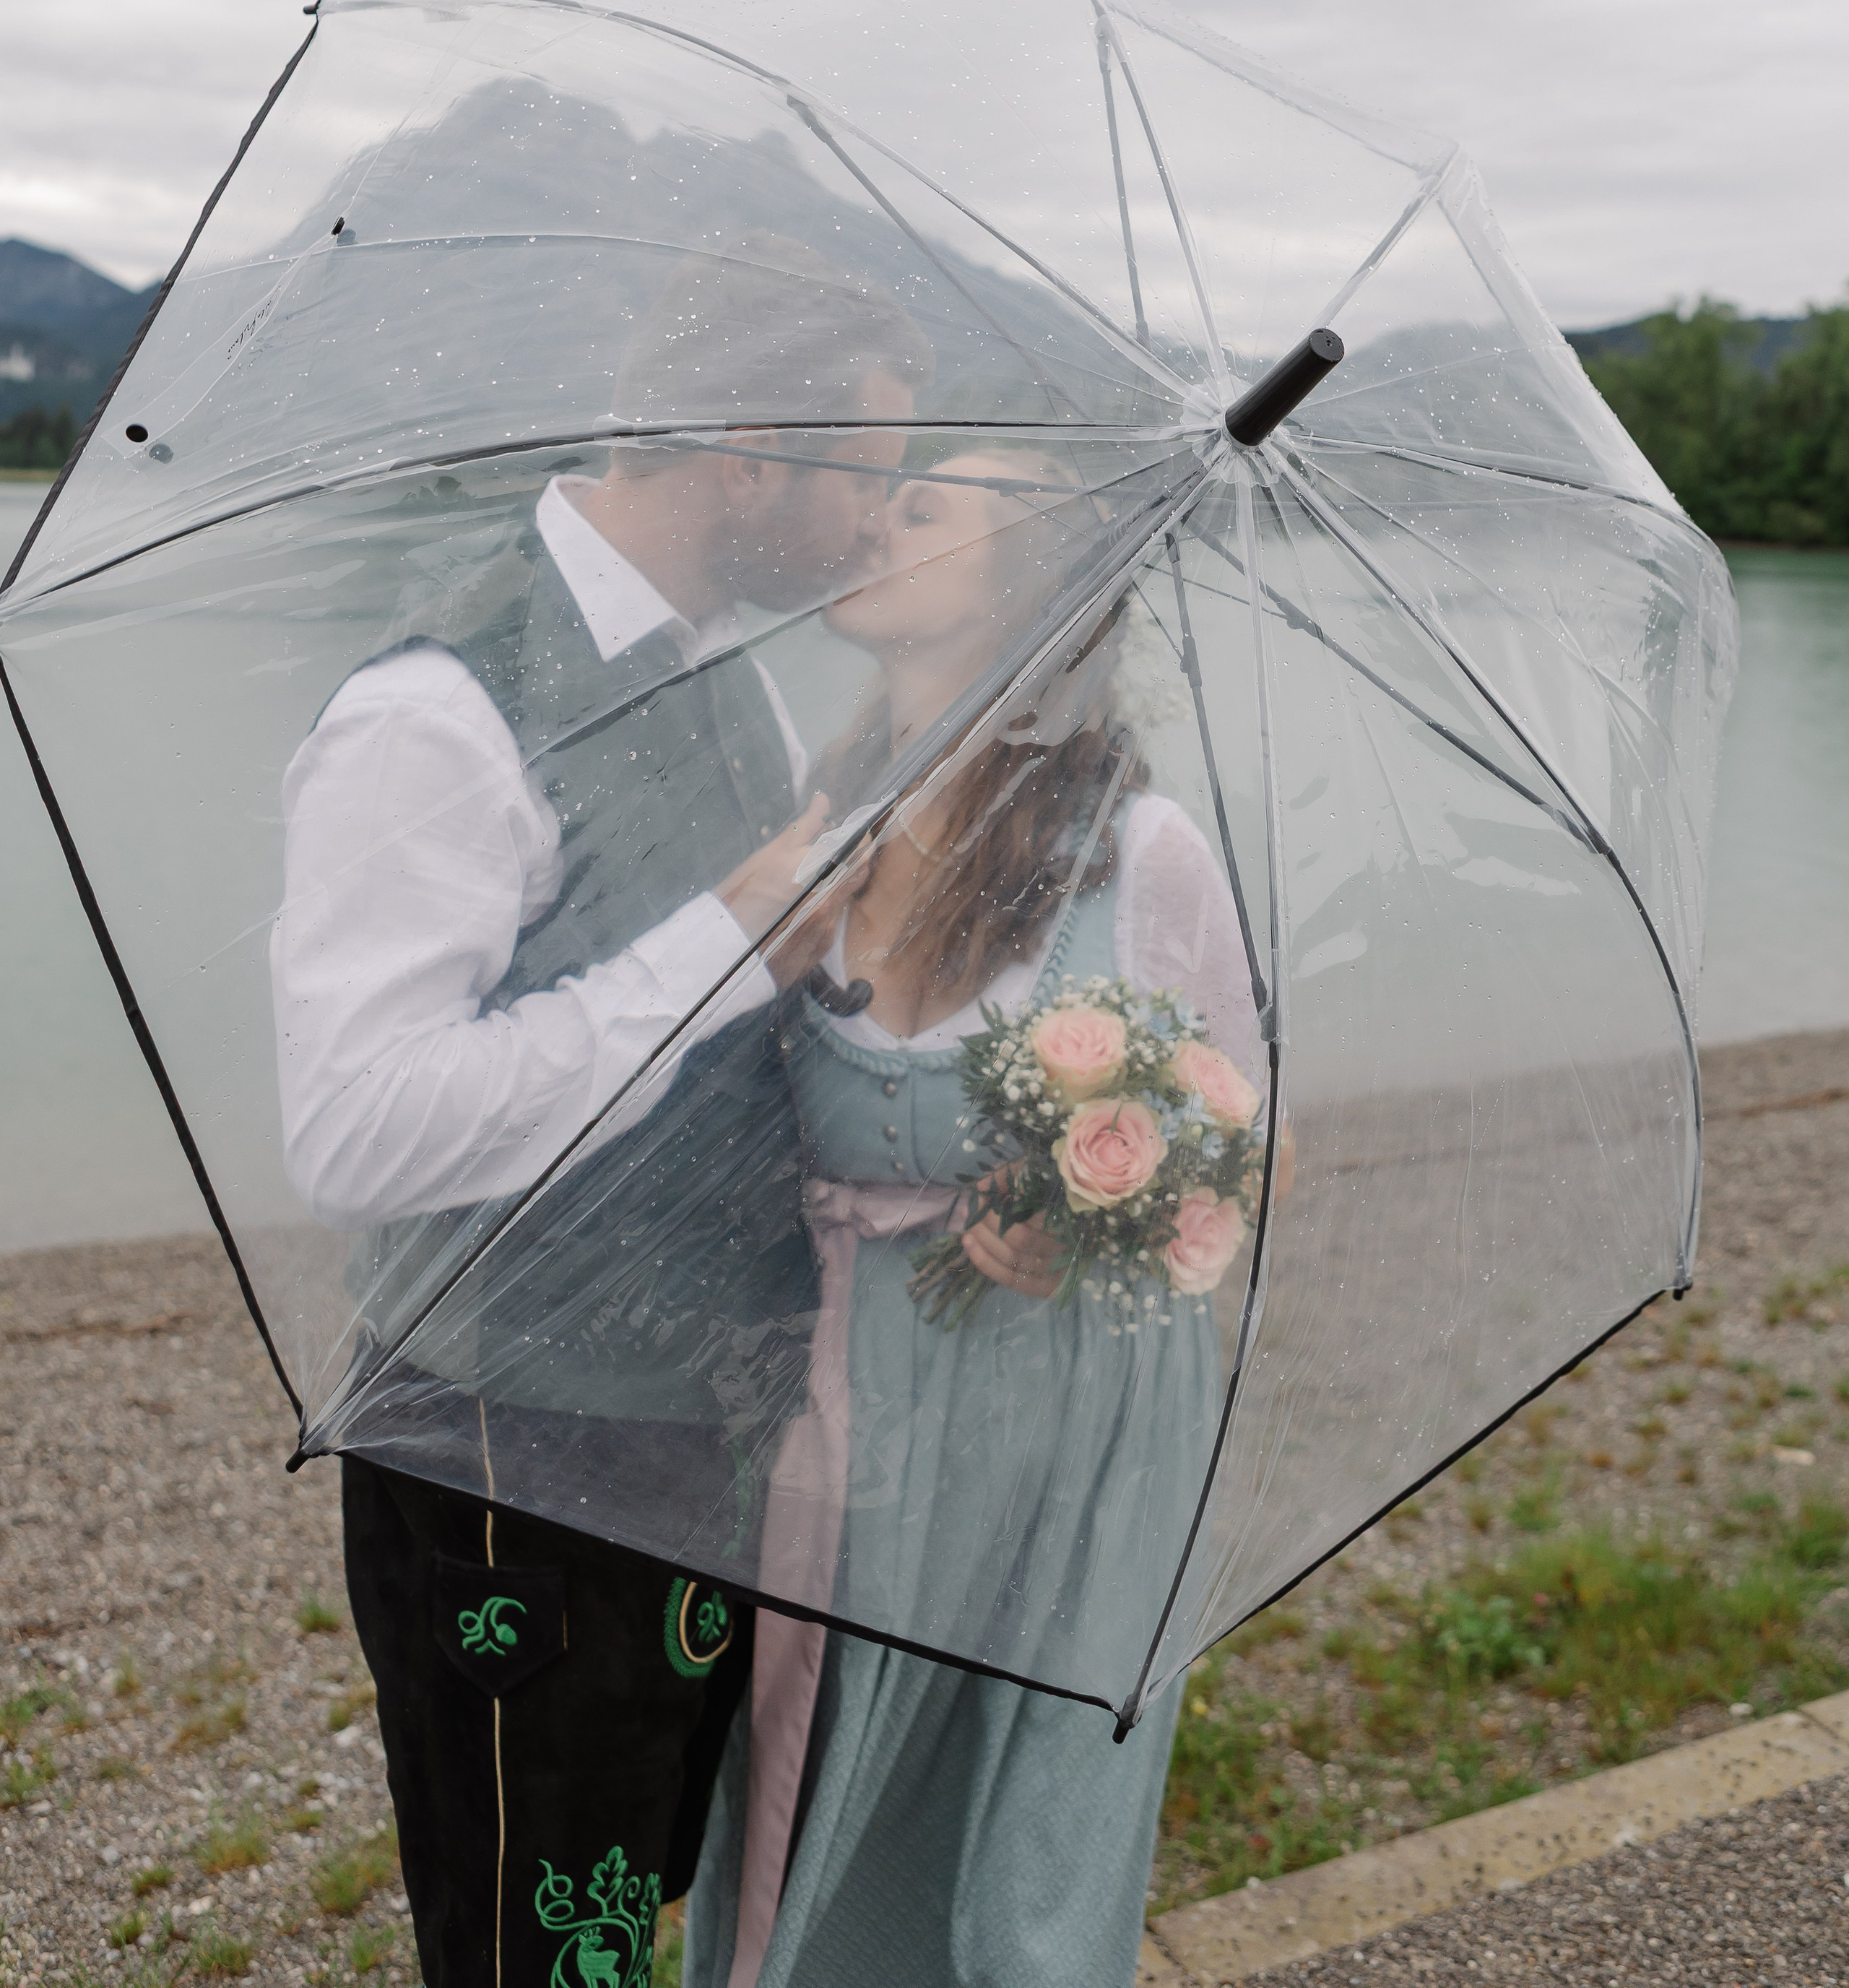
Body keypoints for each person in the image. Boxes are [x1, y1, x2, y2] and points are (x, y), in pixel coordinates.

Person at [270, 231, 928, 1988]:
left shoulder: (739, 668)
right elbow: (351, 1132)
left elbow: (764, 1009)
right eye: (865, 483)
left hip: (701, 1428)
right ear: (747, 459)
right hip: (505, 1453)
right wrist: (725, 942)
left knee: (633, 1903)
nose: (880, 529)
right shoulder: (432, 713)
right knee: (521, 1946)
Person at [682, 446, 1263, 1988]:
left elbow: (1229, 1118)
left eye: (925, 508)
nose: (872, 517)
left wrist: (1089, 1211)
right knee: (806, 1796)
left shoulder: (1137, 854)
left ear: (1028, 580)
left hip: (1062, 1419)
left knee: (1027, 1845)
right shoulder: (814, 819)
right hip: (840, 1394)